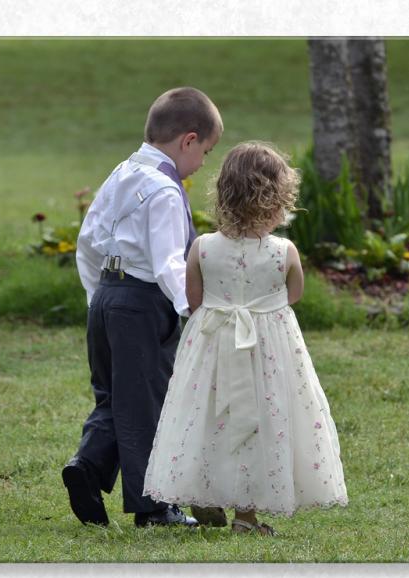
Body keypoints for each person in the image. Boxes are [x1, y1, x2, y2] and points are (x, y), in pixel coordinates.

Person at [143, 142, 348, 535]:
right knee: (263, 420)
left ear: (224, 195)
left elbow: (195, 300)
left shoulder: (201, 248)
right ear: (278, 199)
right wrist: (259, 310)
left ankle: (207, 494)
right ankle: (246, 516)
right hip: (268, 352)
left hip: (212, 348)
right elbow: (294, 295)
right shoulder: (284, 252)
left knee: (209, 417)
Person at [62, 87, 222, 528]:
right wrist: (194, 311)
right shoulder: (165, 191)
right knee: (147, 403)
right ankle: (154, 508)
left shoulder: (123, 172)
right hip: (142, 303)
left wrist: (98, 298)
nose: (203, 162)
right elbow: (170, 261)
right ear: (188, 140)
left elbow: (89, 241)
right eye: (205, 152)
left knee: (115, 396)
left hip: (107, 296)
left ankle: (88, 467)